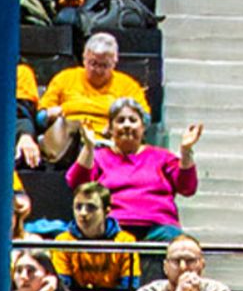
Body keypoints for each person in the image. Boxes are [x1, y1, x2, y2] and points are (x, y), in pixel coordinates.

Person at [66, 99, 198, 242]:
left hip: (158, 227)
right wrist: (89, 147)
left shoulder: (163, 157)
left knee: (176, 244)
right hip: (113, 228)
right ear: (110, 128)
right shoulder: (99, 157)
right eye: (120, 120)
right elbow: (77, 184)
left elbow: (187, 188)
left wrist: (186, 150)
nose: (127, 125)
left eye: (133, 120)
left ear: (143, 128)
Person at [37, 31, 150, 161]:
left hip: (108, 141)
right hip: (67, 144)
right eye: (93, 63)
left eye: (104, 65)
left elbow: (144, 119)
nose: (98, 71)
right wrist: (49, 114)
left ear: (115, 61)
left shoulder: (127, 85)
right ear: (84, 58)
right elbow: (40, 118)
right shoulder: (65, 78)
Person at [51, 181, 141, 291]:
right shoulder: (63, 241)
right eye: (78, 207)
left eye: (91, 207)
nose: (83, 213)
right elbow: (63, 286)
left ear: (107, 210)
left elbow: (130, 289)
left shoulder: (126, 241)